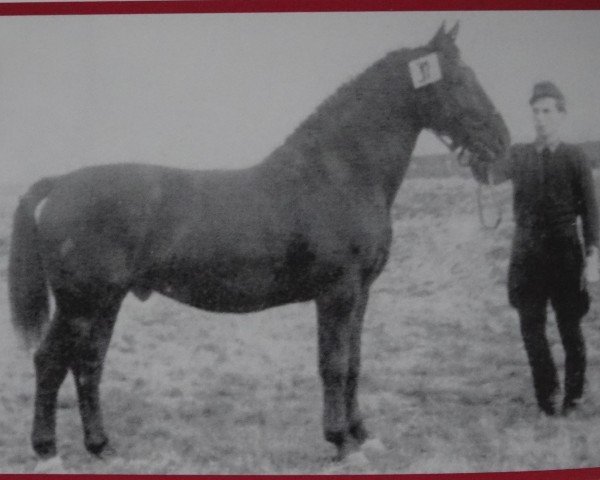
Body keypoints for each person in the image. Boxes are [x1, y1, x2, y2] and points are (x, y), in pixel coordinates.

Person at [485, 81, 599, 415]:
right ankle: (547, 393)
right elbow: (489, 175)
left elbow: (591, 212)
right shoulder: (518, 155)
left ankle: (574, 396)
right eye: (535, 112)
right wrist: (472, 157)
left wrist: (593, 254)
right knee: (530, 328)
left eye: (547, 111)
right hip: (527, 253)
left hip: (565, 252)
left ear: (561, 115)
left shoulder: (576, 157)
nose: (540, 119)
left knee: (569, 326)